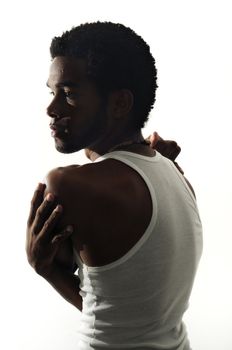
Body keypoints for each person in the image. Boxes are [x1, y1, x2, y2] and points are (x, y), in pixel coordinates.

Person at [26, 22, 203, 350]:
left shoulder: (69, 184)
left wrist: (44, 268)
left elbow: (101, 314)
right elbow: (128, 313)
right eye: (52, 93)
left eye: (69, 94)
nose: (52, 109)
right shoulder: (178, 179)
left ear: (119, 103)